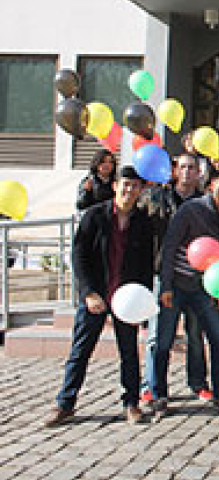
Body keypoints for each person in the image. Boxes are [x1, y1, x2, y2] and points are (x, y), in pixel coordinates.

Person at [45, 166, 153, 427]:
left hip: (126, 299)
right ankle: (65, 403)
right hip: (96, 294)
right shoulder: (94, 216)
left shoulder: (143, 222)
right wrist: (89, 292)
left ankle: (131, 403)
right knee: (80, 351)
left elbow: (146, 264)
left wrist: (142, 302)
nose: (129, 190)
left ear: (140, 190)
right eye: (125, 185)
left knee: (129, 353)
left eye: (135, 186)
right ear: (115, 186)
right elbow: (79, 256)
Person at [151, 164, 219, 418]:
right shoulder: (191, 210)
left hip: (204, 289)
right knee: (163, 342)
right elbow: (170, 246)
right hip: (175, 284)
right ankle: (158, 395)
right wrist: (166, 285)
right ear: (212, 185)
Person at [138, 153, 210, 404]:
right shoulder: (159, 198)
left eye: (192, 168)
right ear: (175, 171)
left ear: (198, 173)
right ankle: (151, 385)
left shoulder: (204, 203)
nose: (187, 172)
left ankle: (198, 383)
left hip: (195, 276)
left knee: (195, 334)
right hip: (165, 274)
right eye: (183, 167)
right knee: (158, 336)